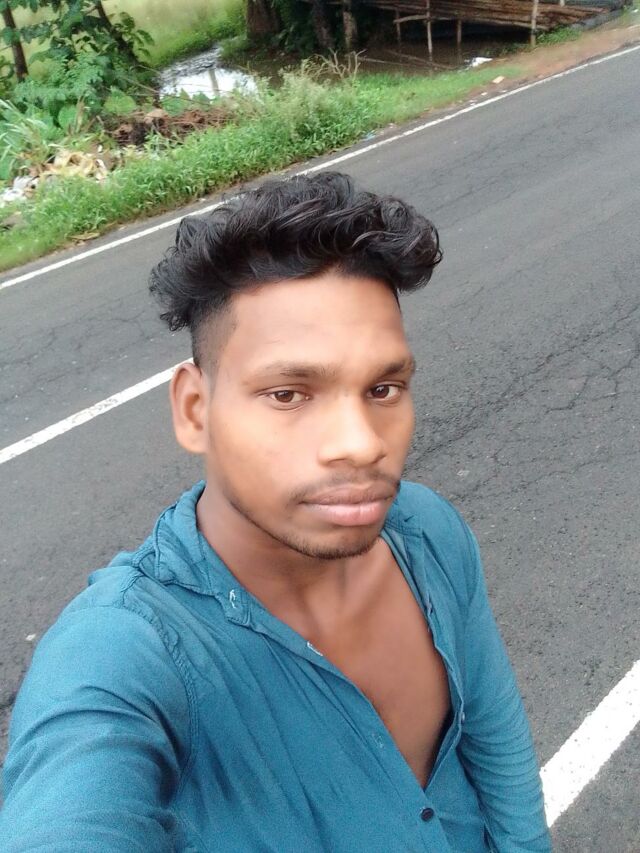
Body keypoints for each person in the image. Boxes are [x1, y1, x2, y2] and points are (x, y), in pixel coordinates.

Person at [0, 173, 551, 852]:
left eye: (384, 388)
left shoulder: (429, 531)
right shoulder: (124, 656)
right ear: (195, 410)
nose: (361, 444)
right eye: (289, 393)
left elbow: (496, 740)